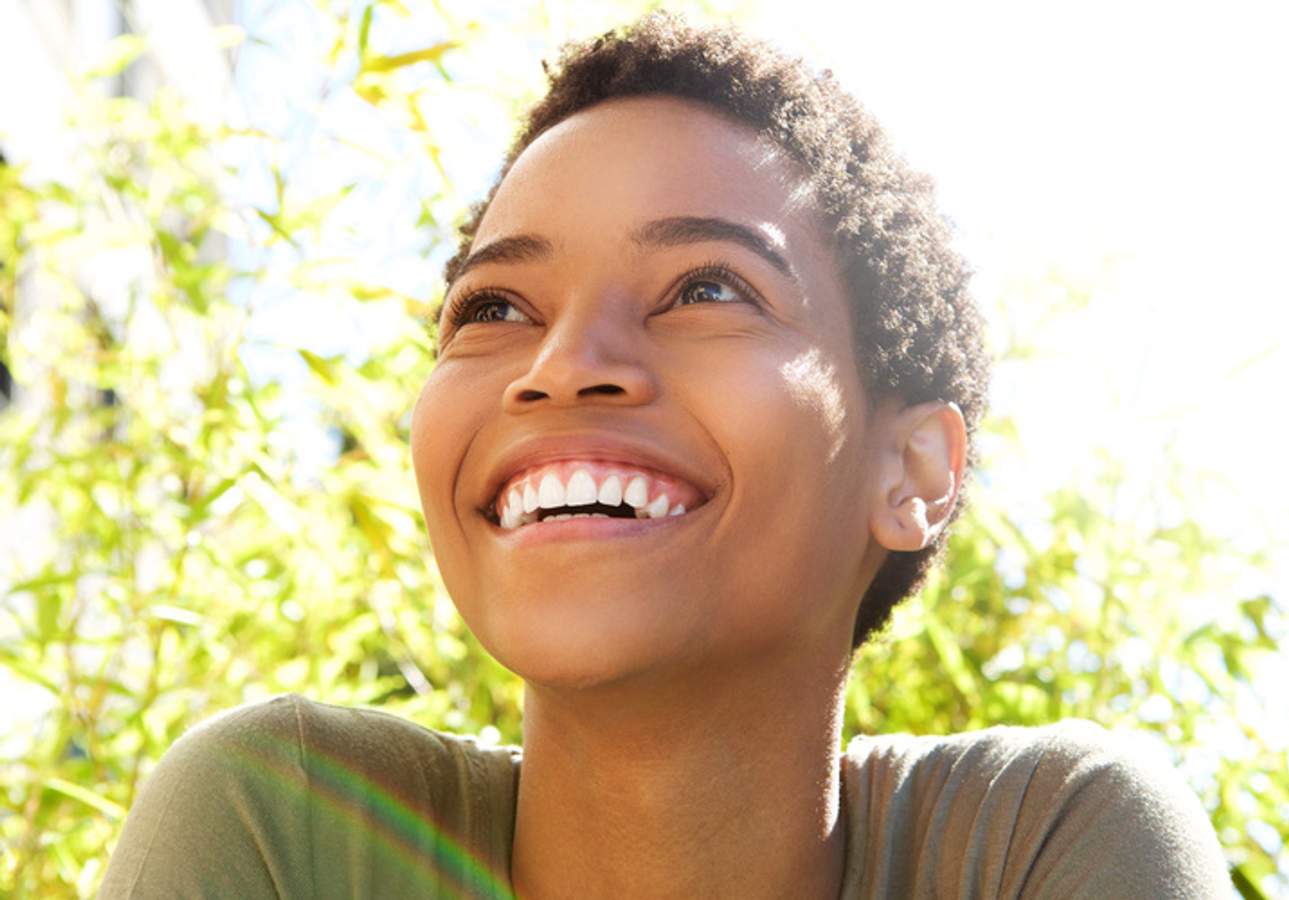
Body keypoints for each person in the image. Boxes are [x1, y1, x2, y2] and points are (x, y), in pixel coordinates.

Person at [99, 12, 1229, 899]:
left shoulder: (1041, 847)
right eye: (494, 305)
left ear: (914, 471)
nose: (560, 364)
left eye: (706, 288)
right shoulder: (281, 828)